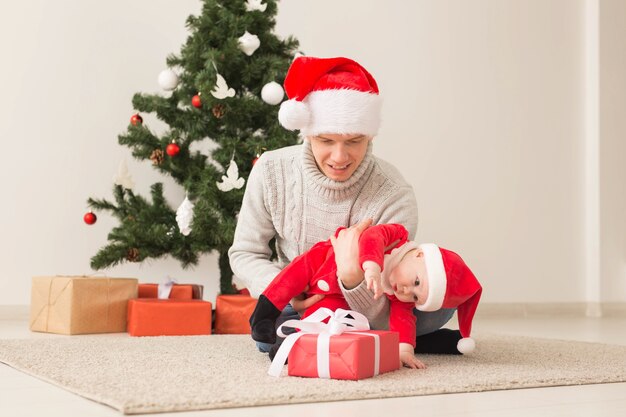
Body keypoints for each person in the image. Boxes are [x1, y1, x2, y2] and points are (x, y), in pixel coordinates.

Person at [228, 56, 453, 353]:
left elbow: (395, 294)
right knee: (265, 331)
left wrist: (351, 278)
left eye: (353, 142)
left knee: (438, 305)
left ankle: (355, 335)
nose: (339, 156)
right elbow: (245, 252)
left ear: (370, 135)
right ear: (307, 133)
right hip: (302, 299)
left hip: (370, 305)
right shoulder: (271, 170)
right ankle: (381, 339)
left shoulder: (394, 193)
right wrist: (287, 289)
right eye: (326, 140)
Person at [250, 223, 482, 368]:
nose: (405, 291)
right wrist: (372, 265)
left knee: (325, 322)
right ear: (420, 255)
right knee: (289, 280)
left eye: (415, 297)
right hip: (324, 262)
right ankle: (263, 315)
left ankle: (296, 346)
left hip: (338, 300)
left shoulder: (398, 295)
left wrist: (404, 349)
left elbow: (403, 319)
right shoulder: (398, 237)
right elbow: (373, 235)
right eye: (416, 282)